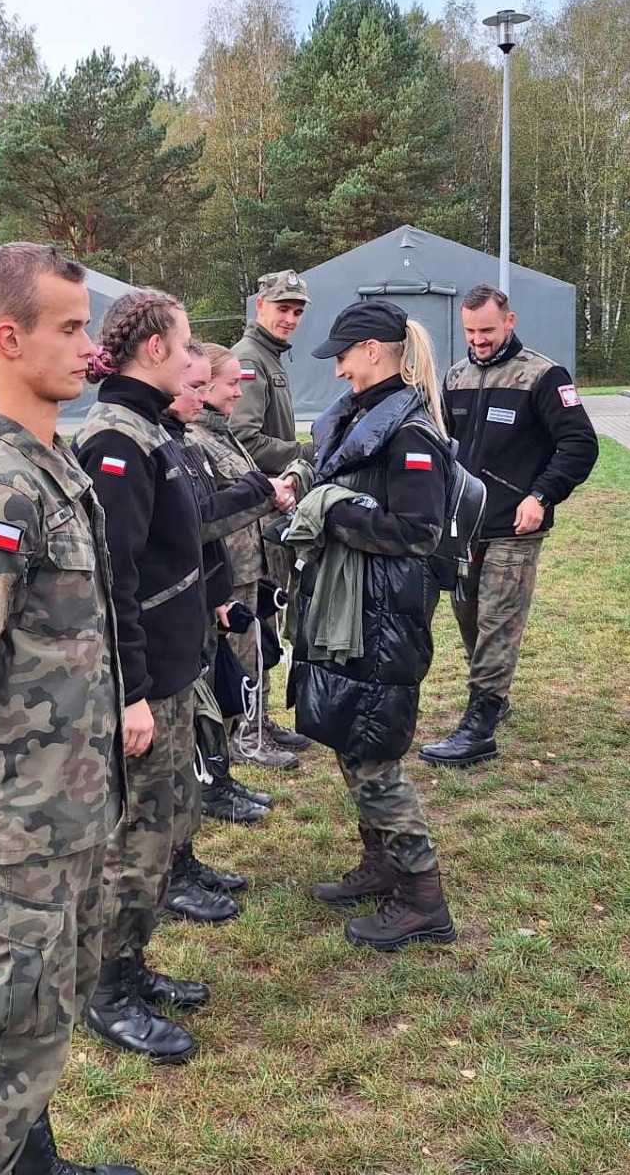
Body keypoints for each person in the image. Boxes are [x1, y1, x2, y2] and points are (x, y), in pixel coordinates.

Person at [0, 242, 141, 1175]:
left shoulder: (53, 468)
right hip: (17, 824)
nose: (91, 348)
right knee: (8, 1036)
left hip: (70, 806)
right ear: (9, 338)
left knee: (46, 1014)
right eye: (72, 328)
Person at [77, 291, 273, 1066]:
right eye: (187, 345)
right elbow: (114, 579)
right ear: (154, 348)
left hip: (171, 666)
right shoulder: (115, 439)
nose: (196, 360)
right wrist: (129, 691)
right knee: (136, 842)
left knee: (161, 831)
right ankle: (107, 989)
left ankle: (132, 963)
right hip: (145, 679)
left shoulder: (151, 430)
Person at [293, 299, 457, 951]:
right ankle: (383, 862)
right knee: (349, 735)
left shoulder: (411, 434)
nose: (337, 371)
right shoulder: (362, 418)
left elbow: (418, 531)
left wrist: (331, 511)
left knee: (374, 755)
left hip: (382, 617)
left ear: (372, 351)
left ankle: (422, 898)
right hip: (351, 610)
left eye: (343, 356)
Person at [422, 284, 599, 767]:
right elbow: (444, 446)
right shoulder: (455, 377)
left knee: (498, 620)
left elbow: (580, 445)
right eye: (470, 331)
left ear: (510, 322)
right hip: (465, 525)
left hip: (515, 527)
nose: (478, 340)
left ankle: (479, 725)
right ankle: (494, 697)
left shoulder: (542, 376)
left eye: (487, 330)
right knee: (468, 614)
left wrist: (541, 495)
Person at [189, 343, 286, 819]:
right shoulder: (198, 441)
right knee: (227, 676)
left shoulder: (223, 435)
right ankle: (223, 765)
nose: (237, 393)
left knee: (250, 663)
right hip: (226, 575)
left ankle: (236, 753)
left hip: (248, 568)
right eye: (230, 384)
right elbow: (214, 514)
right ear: (204, 385)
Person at [228, 269, 317, 766]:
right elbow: (244, 439)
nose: (290, 318)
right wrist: (305, 453)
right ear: (259, 306)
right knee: (253, 623)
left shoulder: (268, 357)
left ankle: (258, 718)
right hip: (256, 516)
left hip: (268, 510)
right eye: (282, 308)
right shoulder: (249, 360)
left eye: (297, 311)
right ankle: (246, 730)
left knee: (267, 616)